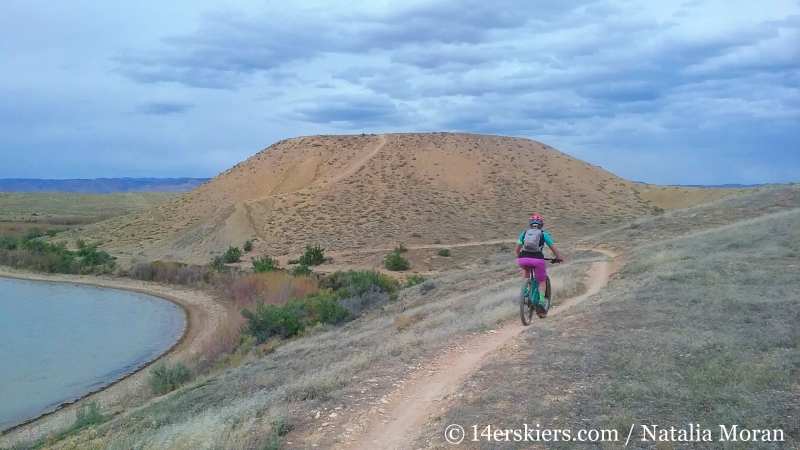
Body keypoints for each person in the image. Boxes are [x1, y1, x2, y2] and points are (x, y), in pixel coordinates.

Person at [516, 215, 563, 309]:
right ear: (541, 225)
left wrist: (519, 255)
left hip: (523, 259)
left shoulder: (524, 234)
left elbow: (517, 248)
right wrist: (558, 258)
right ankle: (541, 300)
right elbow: (554, 249)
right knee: (541, 280)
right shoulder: (544, 234)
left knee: (526, 269)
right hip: (538, 260)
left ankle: (526, 290)